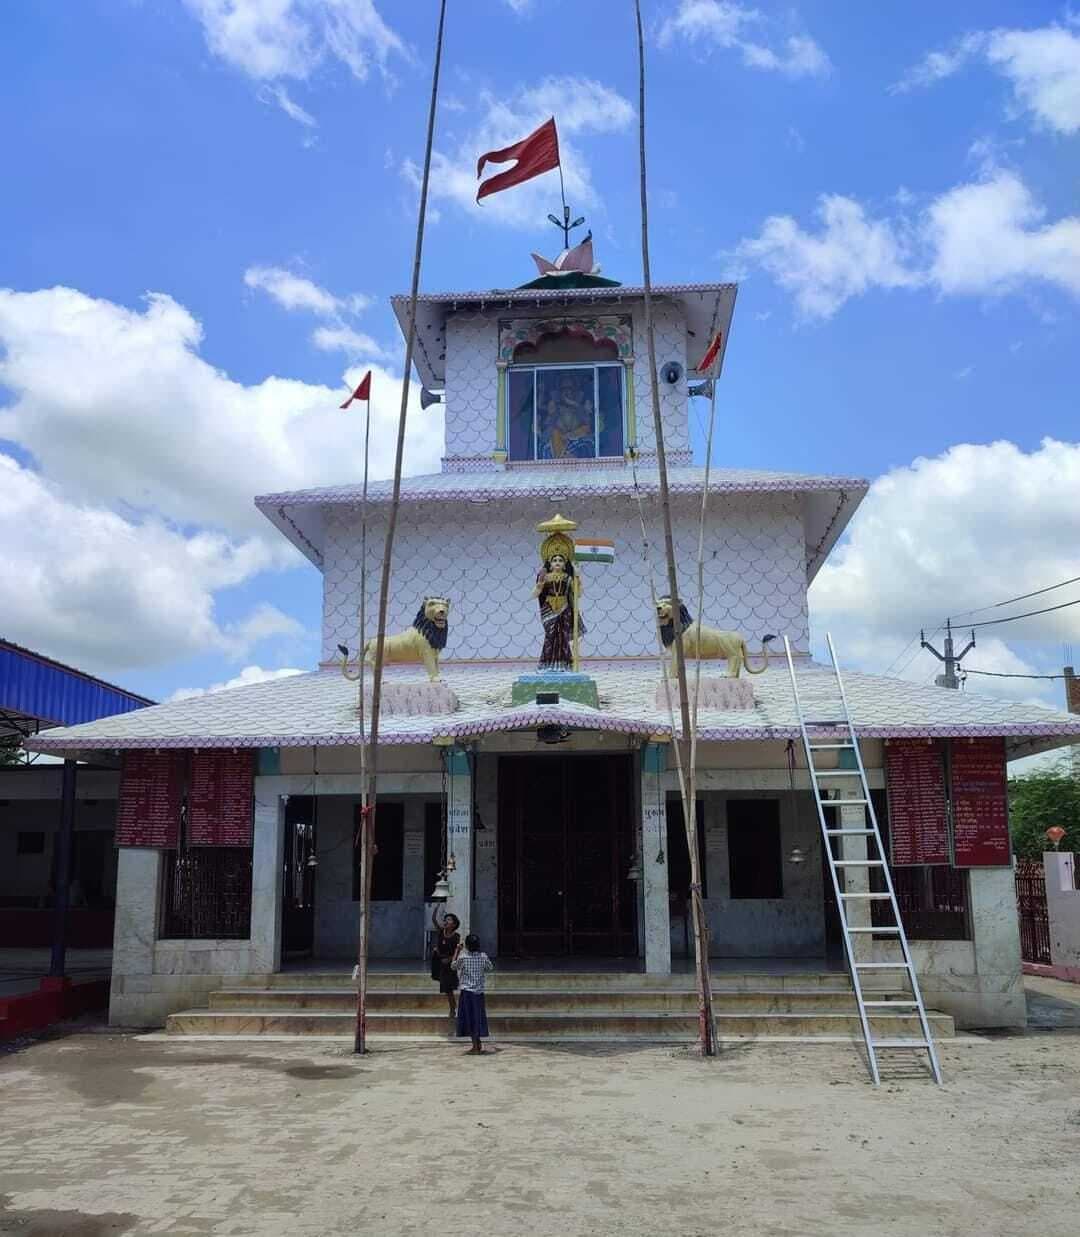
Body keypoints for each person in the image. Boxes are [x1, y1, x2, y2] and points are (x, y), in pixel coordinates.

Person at [532, 550, 585, 671]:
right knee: (550, 636)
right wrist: (539, 584)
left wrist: (577, 575)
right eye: (554, 560)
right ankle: (546, 665)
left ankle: (564, 665)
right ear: (550, 564)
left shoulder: (568, 578)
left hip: (564, 609)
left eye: (560, 560)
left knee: (563, 637)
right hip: (548, 610)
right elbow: (534, 595)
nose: (557, 562)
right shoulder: (545, 577)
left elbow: (578, 593)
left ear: (565, 564)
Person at [452, 933, 494, 1054]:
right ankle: (477, 1043)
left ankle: (475, 1046)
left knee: (469, 1018)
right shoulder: (483, 956)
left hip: (467, 993)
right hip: (479, 993)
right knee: (477, 1017)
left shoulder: (463, 957)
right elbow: (490, 967)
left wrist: (457, 950)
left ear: (467, 946)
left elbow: (453, 966)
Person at [430, 908, 461, 1016]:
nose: (446, 921)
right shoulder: (441, 932)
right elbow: (434, 920)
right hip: (440, 963)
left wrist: (449, 959)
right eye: (445, 919)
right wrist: (436, 908)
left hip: (449, 965)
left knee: (448, 988)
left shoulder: (456, 936)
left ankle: (452, 1009)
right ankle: (452, 1007)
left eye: (449, 920)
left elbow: (456, 952)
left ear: (454, 924)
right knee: (446, 989)